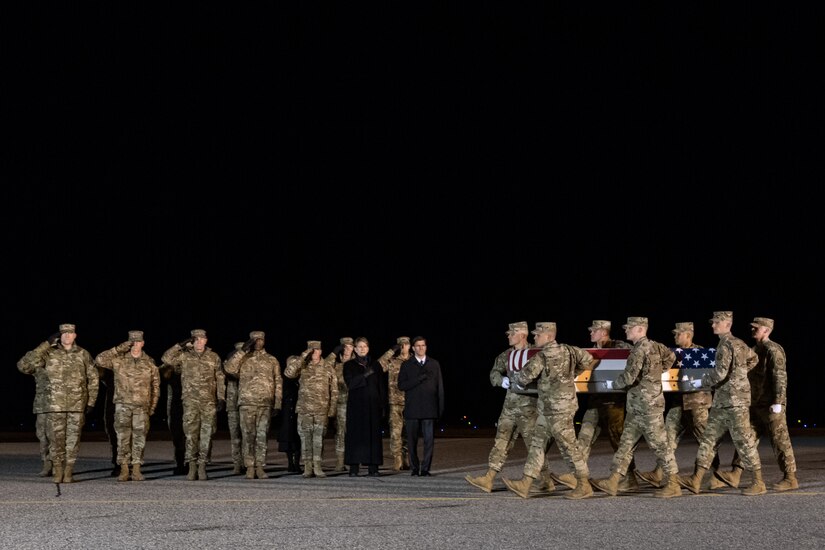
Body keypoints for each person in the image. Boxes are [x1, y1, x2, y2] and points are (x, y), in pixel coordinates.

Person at [501, 322, 596, 500]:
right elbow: (588, 360)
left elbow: (524, 377)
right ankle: (526, 482)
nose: (535, 337)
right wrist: (572, 374)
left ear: (549, 336)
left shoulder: (542, 357)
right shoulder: (570, 350)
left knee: (569, 448)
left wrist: (516, 381)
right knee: (537, 444)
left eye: (538, 335)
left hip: (554, 410)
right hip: (560, 407)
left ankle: (584, 484)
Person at [591, 317, 682, 498]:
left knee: (660, 445)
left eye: (629, 328)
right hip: (640, 405)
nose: (626, 330)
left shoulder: (638, 350)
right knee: (625, 445)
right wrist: (655, 374)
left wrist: (610, 384)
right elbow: (671, 357)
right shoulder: (657, 346)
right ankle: (614, 480)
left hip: (647, 406)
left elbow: (628, 378)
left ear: (640, 329)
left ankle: (673, 483)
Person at [677, 311, 766, 496]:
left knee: (743, 440)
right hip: (723, 401)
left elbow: (719, 374)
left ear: (727, 324)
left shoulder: (726, 345)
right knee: (708, 439)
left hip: (734, 402)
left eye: (716, 322)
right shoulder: (739, 343)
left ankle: (759, 482)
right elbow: (754, 359)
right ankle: (696, 479)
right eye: (713, 322)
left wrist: (699, 381)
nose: (713, 325)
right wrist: (740, 373)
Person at [636, 322, 723, 490]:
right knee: (668, 436)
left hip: (697, 402)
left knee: (704, 439)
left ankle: (717, 474)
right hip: (678, 401)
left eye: (678, 334)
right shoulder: (673, 354)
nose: (675, 336)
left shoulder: (700, 354)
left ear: (688, 335)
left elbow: (710, 376)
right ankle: (658, 473)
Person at [715, 317, 798, 491]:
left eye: (756, 328)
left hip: (770, 405)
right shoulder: (753, 349)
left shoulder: (773, 350)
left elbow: (780, 377)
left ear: (766, 330)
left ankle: (790, 477)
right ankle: (736, 473)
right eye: (752, 327)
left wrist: (779, 402)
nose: (752, 330)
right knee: (746, 439)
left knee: (780, 440)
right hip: (755, 403)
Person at [465, 321, 546, 493]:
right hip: (509, 406)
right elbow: (494, 372)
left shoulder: (536, 354)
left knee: (534, 445)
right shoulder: (507, 355)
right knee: (501, 441)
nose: (508, 336)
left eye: (511, 333)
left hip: (529, 406)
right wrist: (499, 380)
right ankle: (489, 478)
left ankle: (545, 479)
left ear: (522, 335)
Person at [17, 323, 99, 483]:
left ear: (75, 335)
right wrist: (46, 345)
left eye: (71, 333)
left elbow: (93, 378)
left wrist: (91, 402)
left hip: (76, 405)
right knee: (55, 440)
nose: (67, 336)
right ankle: (57, 470)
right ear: (58, 337)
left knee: (73, 440)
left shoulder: (83, 354)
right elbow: (23, 365)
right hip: (55, 406)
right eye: (64, 333)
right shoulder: (48, 354)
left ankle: (68, 471)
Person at [570, 320, 637, 492]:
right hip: (595, 402)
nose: (591, 333)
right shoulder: (590, 351)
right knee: (584, 436)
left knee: (618, 439)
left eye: (594, 331)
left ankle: (629, 477)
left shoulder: (621, 347)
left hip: (615, 402)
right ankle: (578, 476)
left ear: (604, 332)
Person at [94, 331, 160, 482]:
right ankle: (124, 468)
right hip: (123, 406)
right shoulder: (119, 360)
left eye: (138, 342)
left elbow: (156, 386)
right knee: (123, 438)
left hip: (141, 406)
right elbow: (99, 360)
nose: (135, 345)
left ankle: (136, 469)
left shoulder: (149, 362)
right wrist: (118, 349)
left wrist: (152, 406)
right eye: (132, 342)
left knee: (139, 438)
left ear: (143, 343)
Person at [161, 329, 225, 481]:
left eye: (201, 339)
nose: (199, 342)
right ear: (191, 341)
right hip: (190, 402)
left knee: (206, 435)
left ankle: (202, 466)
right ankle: (191, 466)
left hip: (208, 402)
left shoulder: (213, 357)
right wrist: (180, 345)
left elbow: (220, 377)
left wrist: (221, 397)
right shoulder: (184, 356)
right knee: (190, 435)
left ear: (206, 340)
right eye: (195, 339)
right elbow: (166, 358)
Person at [223, 331, 282, 480]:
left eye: (260, 339)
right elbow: (229, 369)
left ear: (264, 341)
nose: (258, 342)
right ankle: (249, 466)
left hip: (265, 403)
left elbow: (278, 381)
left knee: (262, 437)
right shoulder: (243, 358)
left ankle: (260, 466)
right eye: (254, 340)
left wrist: (277, 403)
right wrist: (243, 350)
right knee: (248, 436)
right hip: (247, 403)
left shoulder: (271, 360)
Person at [284, 340, 338, 478]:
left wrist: (332, 409)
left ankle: (318, 466)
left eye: (317, 349)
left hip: (321, 409)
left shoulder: (328, 367)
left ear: (321, 351)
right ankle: (307, 467)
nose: (315, 352)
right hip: (304, 409)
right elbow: (288, 373)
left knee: (318, 440)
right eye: (312, 350)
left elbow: (334, 390)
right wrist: (303, 356)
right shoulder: (302, 366)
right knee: (305, 440)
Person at [397, 336, 444, 477]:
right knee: (412, 441)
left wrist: (440, 408)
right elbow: (401, 385)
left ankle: (425, 469)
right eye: (417, 346)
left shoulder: (434, 364)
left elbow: (439, 387)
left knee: (429, 441)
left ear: (426, 347)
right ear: (413, 348)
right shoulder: (406, 365)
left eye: (423, 345)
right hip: (412, 408)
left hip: (429, 409)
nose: (421, 348)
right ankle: (414, 467)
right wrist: (419, 378)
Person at [343, 337, 386, 477]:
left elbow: (381, 386)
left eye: (365, 346)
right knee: (355, 436)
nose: (362, 349)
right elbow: (351, 383)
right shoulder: (349, 365)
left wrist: (383, 405)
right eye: (359, 346)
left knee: (373, 436)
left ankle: (373, 467)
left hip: (373, 406)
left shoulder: (376, 365)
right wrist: (365, 375)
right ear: (355, 349)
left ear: (368, 348)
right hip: (357, 406)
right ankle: (354, 467)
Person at [18, 342, 53, 477]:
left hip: (64, 405)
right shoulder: (41, 356)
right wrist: (45, 345)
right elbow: (23, 365)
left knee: (62, 438)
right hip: (44, 404)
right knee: (44, 436)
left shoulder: (71, 355)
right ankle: (47, 463)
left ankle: (60, 466)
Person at [378, 336, 411, 471]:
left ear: (410, 346)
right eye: (400, 345)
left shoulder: (414, 361)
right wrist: (391, 351)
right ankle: (397, 458)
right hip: (395, 402)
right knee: (395, 433)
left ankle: (406, 457)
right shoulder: (392, 361)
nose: (404, 347)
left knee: (409, 432)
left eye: (406, 344)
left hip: (411, 402)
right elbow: (378, 365)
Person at [331, 337, 355, 472]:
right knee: (341, 433)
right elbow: (324, 365)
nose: (347, 349)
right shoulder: (335, 365)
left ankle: (353, 460)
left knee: (354, 433)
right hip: (341, 404)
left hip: (355, 403)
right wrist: (334, 353)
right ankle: (340, 461)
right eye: (344, 347)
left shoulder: (357, 364)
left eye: (349, 346)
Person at [159, 362, 186, 475]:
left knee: (192, 437)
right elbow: (165, 361)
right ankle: (180, 464)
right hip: (176, 407)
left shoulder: (193, 370)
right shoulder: (173, 372)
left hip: (191, 406)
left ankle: (191, 464)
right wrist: (180, 346)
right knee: (178, 437)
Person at [223, 342, 245, 474]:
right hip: (232, 403)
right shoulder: (230, 360)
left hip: (246, 402)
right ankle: (237, 463)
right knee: (235, 436)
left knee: (248, 435)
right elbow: (229, 372)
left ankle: (247, 462)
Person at [277, 362, 302, 473]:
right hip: (287, 411)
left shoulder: (301, 378)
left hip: (299, 411)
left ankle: (297, 463)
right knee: (288, 438)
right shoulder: (284, 379)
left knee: (298, 439)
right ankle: (290, 464)